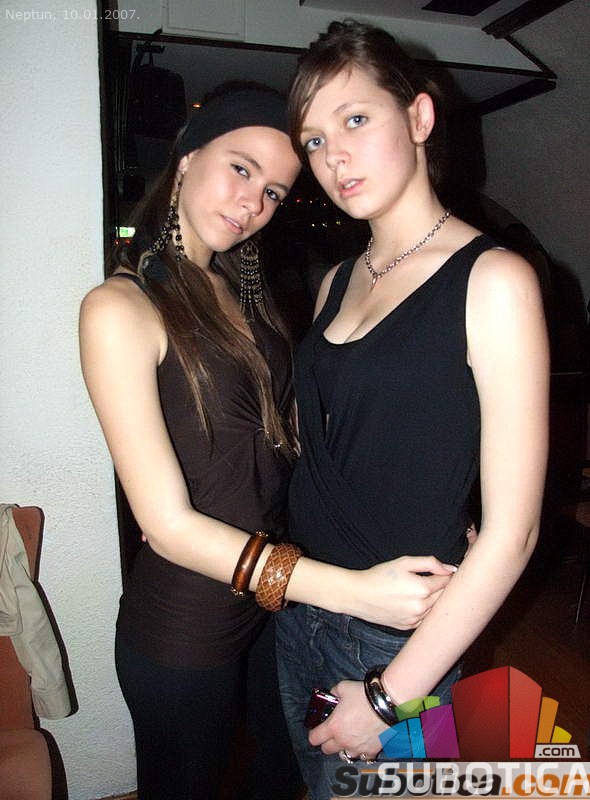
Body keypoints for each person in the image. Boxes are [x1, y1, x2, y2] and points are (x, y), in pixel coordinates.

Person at [79, 83, 457, 800]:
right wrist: (352, 590)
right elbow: (168, 527)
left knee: (279, 775)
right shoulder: (119, 308)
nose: (253, 202)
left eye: (275, 191)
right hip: (186, 626)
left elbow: (299, 443)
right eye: (241, 168)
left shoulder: (240, 295)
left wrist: (431, 495)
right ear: (186, 158)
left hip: (274, 613)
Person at [275, 21, 549, 799]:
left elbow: (515, 532)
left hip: (396, 644)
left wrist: (389, 696)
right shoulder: (336, 281)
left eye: (356, 119)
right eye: (315, 140)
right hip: (303, 608)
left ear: (420, 117)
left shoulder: (493, 280)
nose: (334, 156)